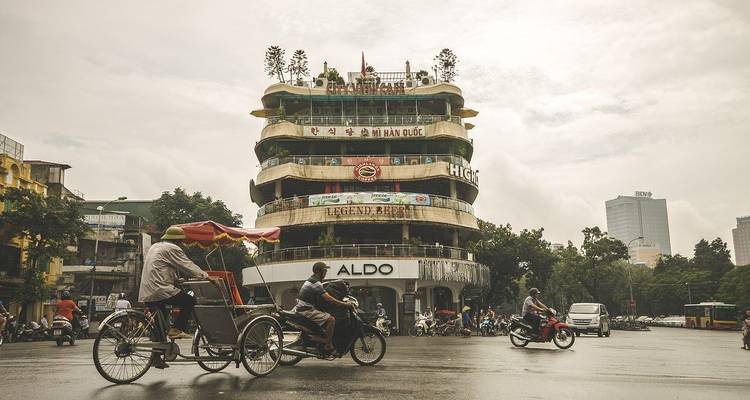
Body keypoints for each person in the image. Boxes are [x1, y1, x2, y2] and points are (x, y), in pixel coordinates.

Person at [138, 226, 214, 342]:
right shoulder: (172, 248)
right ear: (178, 240)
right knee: (189, 301)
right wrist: (206, 276)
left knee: (160, 329)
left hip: (146, 291)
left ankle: (157, 357)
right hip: (160, 289)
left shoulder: (155, 246)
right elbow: (187, 265)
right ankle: (177, 329)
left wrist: (176, 280)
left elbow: (162, 268)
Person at [293, 261, 356, 354]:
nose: (326, 273)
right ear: (319, 271)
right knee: (331, 320)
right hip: (306, 310)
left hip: (304, 308)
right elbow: (328, 298)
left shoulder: (312, 280)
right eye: (324, 270)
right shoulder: (315, 282)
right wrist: (344, 304)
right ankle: (328, 344)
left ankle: (321, 338)